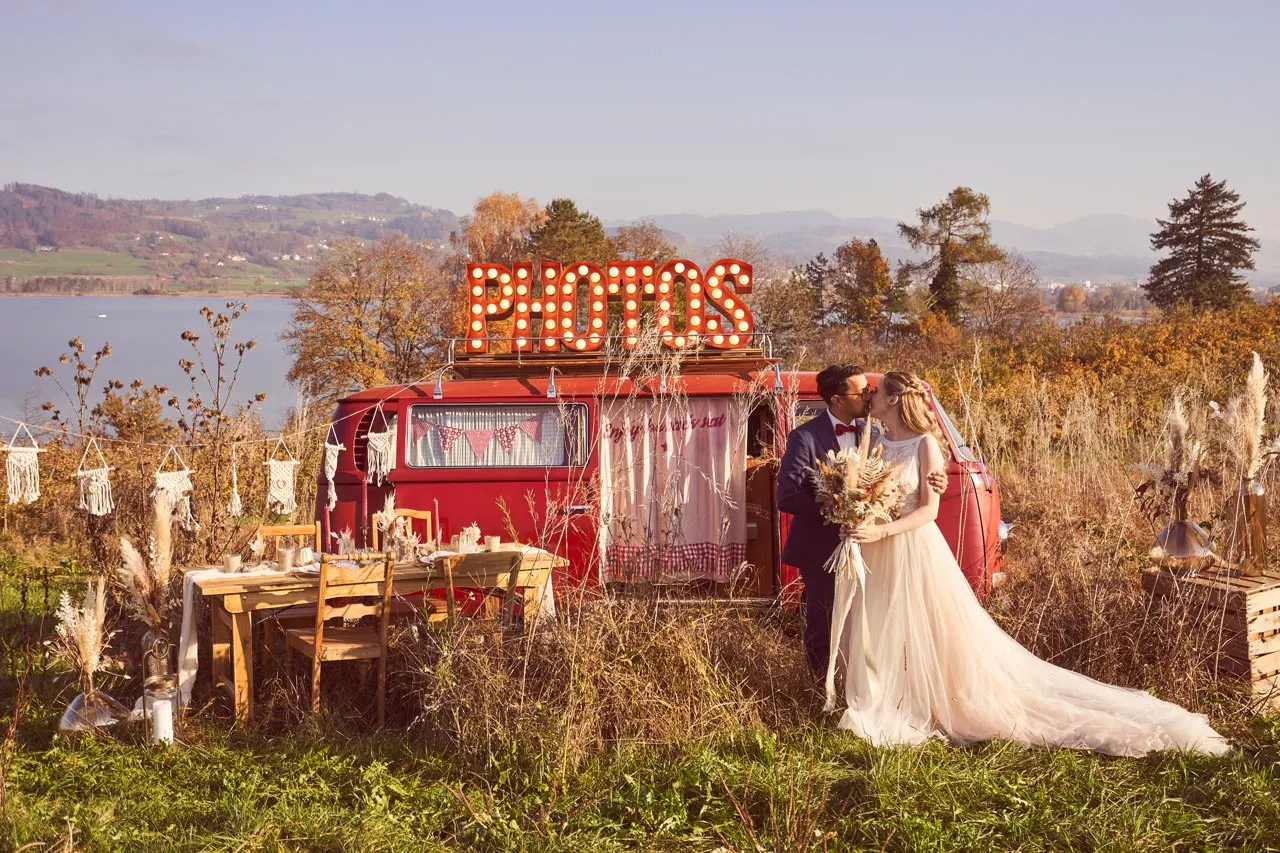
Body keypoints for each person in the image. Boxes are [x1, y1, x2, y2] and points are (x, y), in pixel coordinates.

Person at [836, 370, 1230, 757]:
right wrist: (855, 522)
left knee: (931, 627)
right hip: (877, 548)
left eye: (877, 391)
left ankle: (937, 700)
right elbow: (869, 492)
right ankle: (895, 696)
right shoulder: (876, 442)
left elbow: (927, 512)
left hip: (912, 546)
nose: (870, 396)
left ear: (893, 399)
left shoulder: (926, 445)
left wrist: (882, 532)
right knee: (883, 624)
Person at [776, 364, 946, 676]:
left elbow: (899, 479)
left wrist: (937, 479)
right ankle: (820, 693)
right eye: (862, 392)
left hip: (874, 548)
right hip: (822, 548)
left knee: (874, 623)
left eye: (872, 391)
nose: (869, 396)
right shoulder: (805, 437)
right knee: (824, 622)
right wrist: (836, 509)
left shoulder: (877, 434)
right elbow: (785, 496)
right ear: (838, 400)